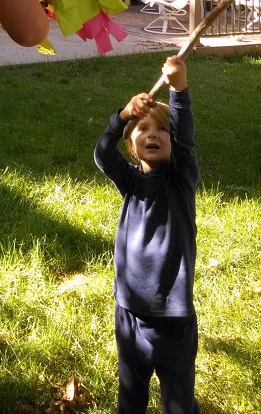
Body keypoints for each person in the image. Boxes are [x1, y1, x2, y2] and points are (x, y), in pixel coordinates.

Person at [94, 55, 200, 414]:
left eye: (162, 130)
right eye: (142, 129)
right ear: (131, 145)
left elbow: (185, 141)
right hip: (129, 312)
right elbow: (102, 154)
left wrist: (179, 90)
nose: (153, 134)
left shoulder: (181, 181)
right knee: (130, 398)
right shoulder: (131, 181)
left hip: (173, 317)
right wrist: (124, 116)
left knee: (179, 401)